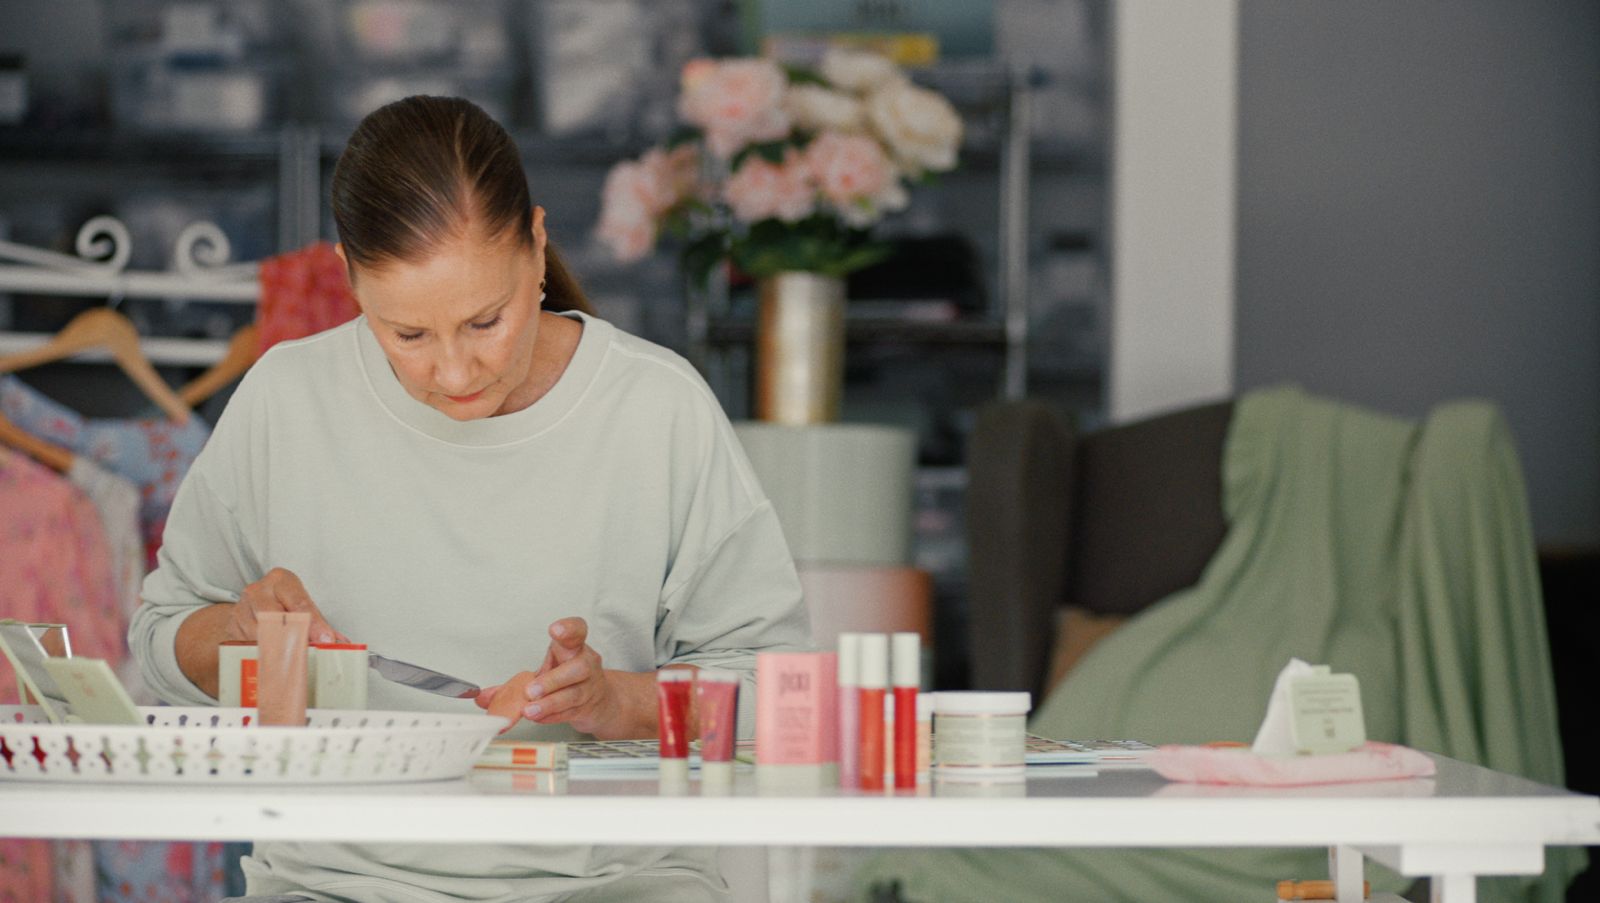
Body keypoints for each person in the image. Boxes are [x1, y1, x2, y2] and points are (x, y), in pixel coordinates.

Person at [129, 95, 811, 902]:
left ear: (538, 244)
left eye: (486, 321)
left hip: (616, 883)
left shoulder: (656, 407)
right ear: (348, 276)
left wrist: (617, 700)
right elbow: (158, 642)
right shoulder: (287, 395)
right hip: (336, 884)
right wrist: (236, 633)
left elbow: (779, 692)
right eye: (408, 336)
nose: (454, 373)